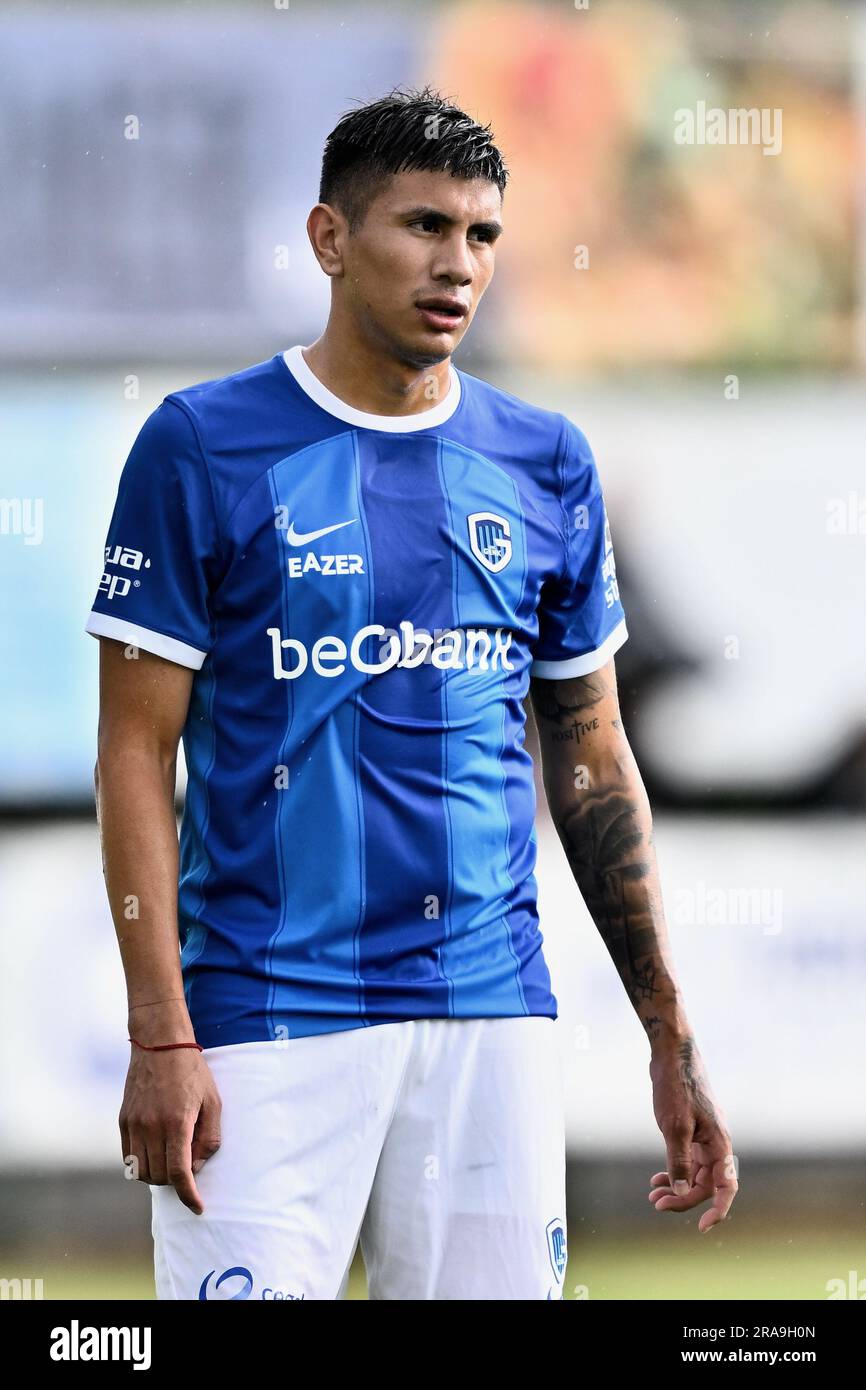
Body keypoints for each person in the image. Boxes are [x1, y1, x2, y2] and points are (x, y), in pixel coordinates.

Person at [87, 84, 736, 1302]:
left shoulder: (544, 462)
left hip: (488, 1012)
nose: (458, 265)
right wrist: (159, 1030)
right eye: (423, 227)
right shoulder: (200, 446)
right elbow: (134, 753)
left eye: (482, 235)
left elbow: (590, 758)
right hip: (265, 1019)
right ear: (330, 239)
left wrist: (668, 1030)